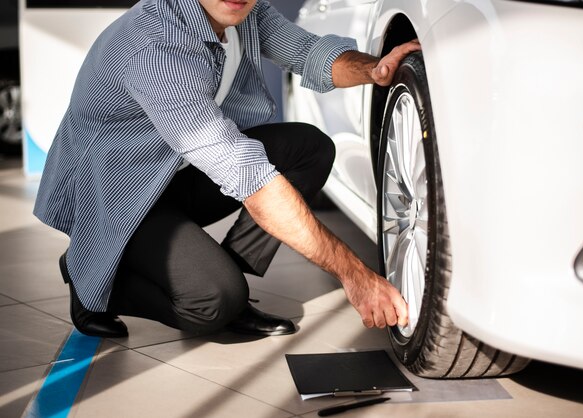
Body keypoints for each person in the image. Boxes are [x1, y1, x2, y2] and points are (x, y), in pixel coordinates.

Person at [34, 0, 421, 338]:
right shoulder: (155, 46)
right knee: (212, 301)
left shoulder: (242, 12)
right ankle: (89, 275)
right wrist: (354, 274)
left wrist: (375, 69)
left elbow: (309, 54)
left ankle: (233, 286)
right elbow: (247, 175)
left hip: (170, 172)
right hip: (116, 196)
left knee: (308, 148)